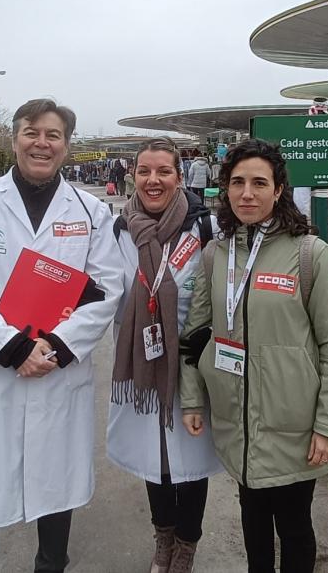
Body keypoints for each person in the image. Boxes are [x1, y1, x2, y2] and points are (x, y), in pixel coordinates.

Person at [0, 99, 124, 573]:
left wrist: (56, 348)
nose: (42, 143)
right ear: (15, 138)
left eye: (53, 135)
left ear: (66, 145)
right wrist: (14, 347)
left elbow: (106, 288)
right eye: (31, 132)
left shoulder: (91, 211)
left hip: (57, 374)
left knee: (55, 494)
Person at [179, 139, 328, 573]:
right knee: (252, 522)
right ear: (224, 189)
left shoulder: (311, 254)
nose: (247, 193)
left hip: (294, 425)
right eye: (237, 182)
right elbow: (195, 335)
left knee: (294, 527)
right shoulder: (216, 254)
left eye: (259, 183)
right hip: (237, 421)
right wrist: (192, 398)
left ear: (279, 191)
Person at [109, 138, 222, 573]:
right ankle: (163, 542)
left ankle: (186, 548)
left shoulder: (207, 228)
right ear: (132, 175)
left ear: (180, 176)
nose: (153, 180)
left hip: (191, 364)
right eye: (144, 171)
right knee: (154, 460)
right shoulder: (118, 231)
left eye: (163, 172)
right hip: (142, 363)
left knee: (190, 462)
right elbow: (102, 292)